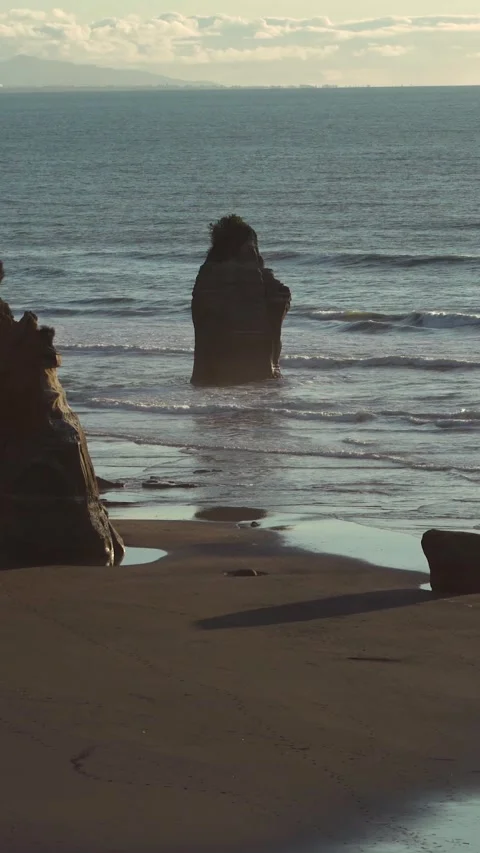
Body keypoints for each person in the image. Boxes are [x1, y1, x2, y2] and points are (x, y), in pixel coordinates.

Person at [191, 216, 291, 385]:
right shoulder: (252, 278)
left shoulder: (207, 276)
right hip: (254, 380)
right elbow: (278, 301)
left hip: (207, 382)